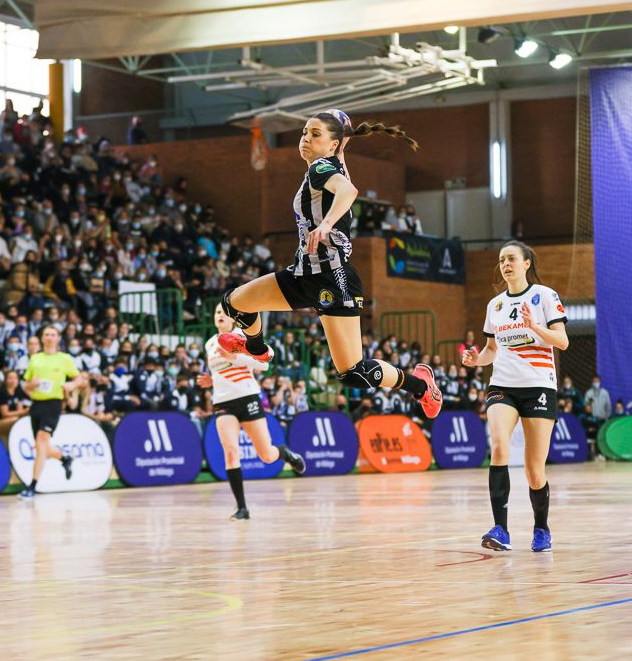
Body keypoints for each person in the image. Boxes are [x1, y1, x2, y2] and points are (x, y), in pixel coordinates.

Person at [217, 109, 441, 421]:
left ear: (332, 146)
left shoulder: (322, 169)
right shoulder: (329, 164)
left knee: (353, 373)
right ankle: (257, 350)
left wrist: (325, 226)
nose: (305, 139)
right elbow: (342, 167)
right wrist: (342, 130)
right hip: (302, 273)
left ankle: (421, 386)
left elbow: (349, 191)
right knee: (235, 303)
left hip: (333, 279)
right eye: (304, 133)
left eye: (315, 134)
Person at [461, 241, 569, 553]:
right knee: (498, 448)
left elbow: (561, 341)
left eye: (511, 259)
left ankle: (542, 529)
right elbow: (491, 351)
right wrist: (475, 359)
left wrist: (535, 326)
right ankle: (501, 529)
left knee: (534, 469)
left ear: (526, 263)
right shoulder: (494, 305)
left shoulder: (545, 296)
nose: (506, 264)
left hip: (538, 386)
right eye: (501, 260)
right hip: (502, 385)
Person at [196, 306, 306, 520]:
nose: (219, 315)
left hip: (247, 397)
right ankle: (242, 508)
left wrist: (235, 356)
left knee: (266, 455)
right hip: (222, 402)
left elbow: (263, 365)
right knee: (230, 452)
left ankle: (283, 453)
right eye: (217, 311)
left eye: (224, 312)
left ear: (233, 318)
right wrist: (212, 380)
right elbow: (219, 369)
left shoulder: (241, 337)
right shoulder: (210, 343)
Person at [19, 326, 86, 499]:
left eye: (53, 335)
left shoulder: (64, 358)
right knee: (42, 446)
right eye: (47, 334)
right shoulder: (35, 358)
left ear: (58, 338)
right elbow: (26, 385)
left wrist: (72, 385)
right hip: (37, 404)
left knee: (41, 440)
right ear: (42, 338)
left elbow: (79, 379)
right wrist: (31, 385)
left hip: (53, 404)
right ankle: (65, 459)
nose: (49, 337)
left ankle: (32, 486)